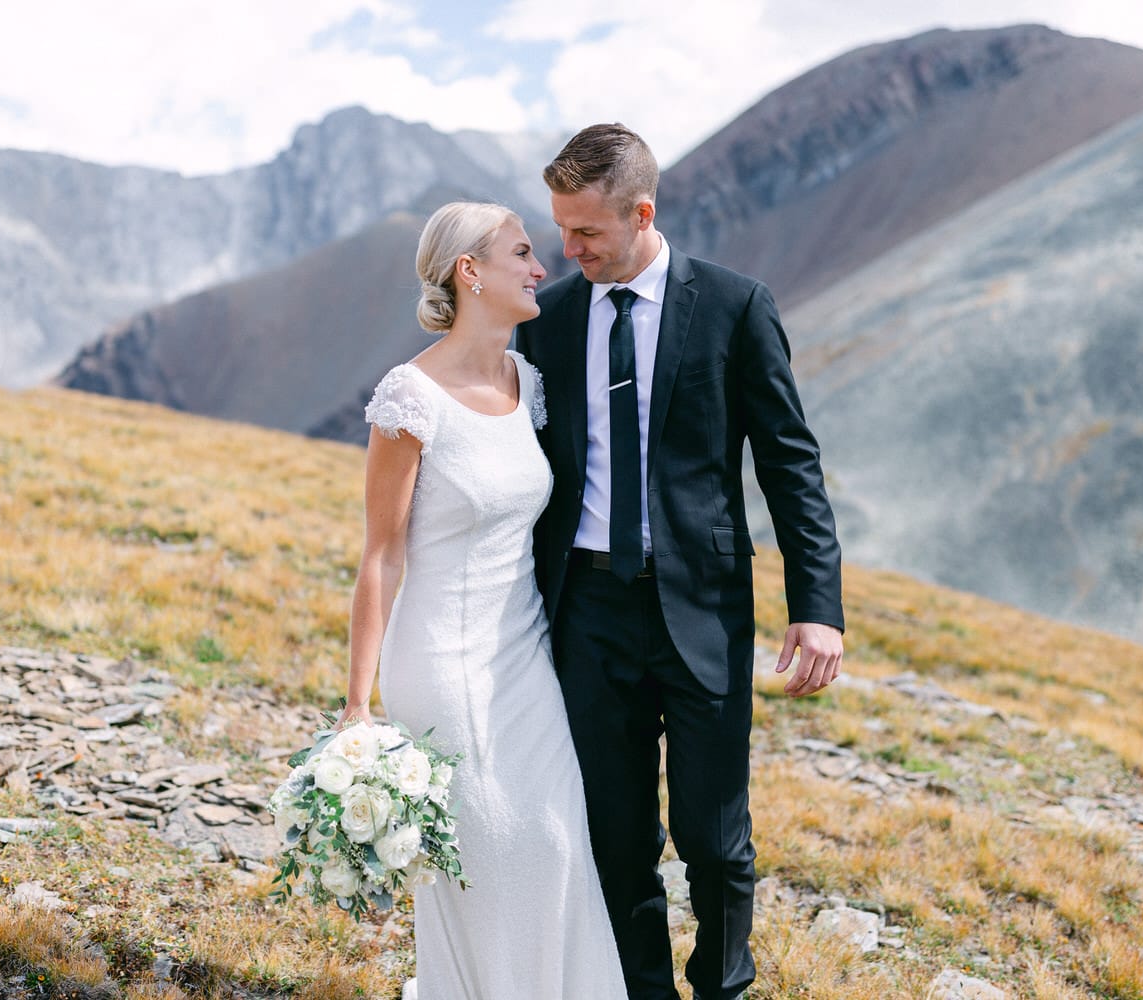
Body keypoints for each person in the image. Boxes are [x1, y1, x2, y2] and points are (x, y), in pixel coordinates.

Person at [516, 124, 845, 1000]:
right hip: (585, 611)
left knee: (715, 838)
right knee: (613, 836)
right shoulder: (546, 320)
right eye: (560, 229)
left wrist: (817, 603)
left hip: (701, 608)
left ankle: (724, 988)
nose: (568, 249)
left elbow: (789, 462)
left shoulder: (736, 307)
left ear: (642, 213)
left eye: (586, 232)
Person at [339, 201, 628, 999]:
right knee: (492, 858)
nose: (542, 268)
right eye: (523, 252)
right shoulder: (410, 398)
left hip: (525, 665)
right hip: (442, 665)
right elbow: (381, 554)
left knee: (556, 844)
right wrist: (357, 706)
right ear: (470, 271)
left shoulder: (527, 382)